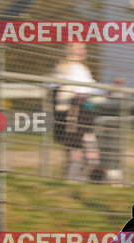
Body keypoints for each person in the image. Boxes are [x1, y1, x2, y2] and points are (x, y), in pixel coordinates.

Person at [50, 42, 106, 183]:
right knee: (76, 152)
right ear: (70, 51)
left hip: (84, 113)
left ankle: (88, 180)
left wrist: (110, 88)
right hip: (71, 114)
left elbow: (92, 89)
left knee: (92, 150)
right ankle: (71, 181)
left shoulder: (82, 69)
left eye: (83, 48)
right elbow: (57, 89)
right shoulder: (63, 69)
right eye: (79, 49)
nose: (83, 51)